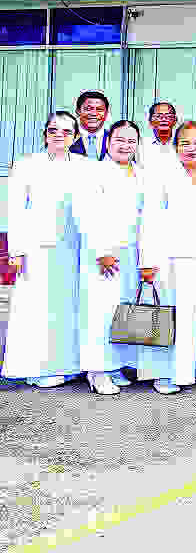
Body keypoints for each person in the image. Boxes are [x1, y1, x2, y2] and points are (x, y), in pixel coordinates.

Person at [2, 111, 90, 388]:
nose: (59, 136)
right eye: (53, 131)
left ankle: (69, 364)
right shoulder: (27, 164)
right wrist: (15, 250)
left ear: (76, 136)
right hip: (36, 248)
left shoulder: (86, 165)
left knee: (69, 308)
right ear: (45, 135)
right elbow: (15, 209)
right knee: (36, 308)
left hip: (74, 247)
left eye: (66, 132)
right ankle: (36, 367)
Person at [135, 121, 196, 394]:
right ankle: (164, 373)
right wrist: (147, 260)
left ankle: (193, 370)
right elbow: (149, 220)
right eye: (185, 143)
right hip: (169, 258)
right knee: (169, 316)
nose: (192, 148)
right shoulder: (161, 176)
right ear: (176, 147)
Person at [74, 120, 145, 395]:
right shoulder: (95, 172)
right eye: (119, 140)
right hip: (104, 254)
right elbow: (86, 214)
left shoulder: (140, 173)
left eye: (131, 141)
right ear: (108, 141)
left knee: (123, 312)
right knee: (100, 311)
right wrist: (102, 251)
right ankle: (97, 370)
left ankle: (115, 365)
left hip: (131, 252)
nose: (125, 145)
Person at [70, 90, 109, 159]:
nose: (93, 113)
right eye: (88, 109)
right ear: (78, 111)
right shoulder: (67, 137)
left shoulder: (114, 139)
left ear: (106, 113)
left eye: (99, 109)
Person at [139, 101, 179, 168]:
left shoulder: (182, 143)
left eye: (168, 116)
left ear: (175, 120)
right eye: (158, 116)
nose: (164, 119)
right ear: (150, 120)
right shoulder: (141, 144)